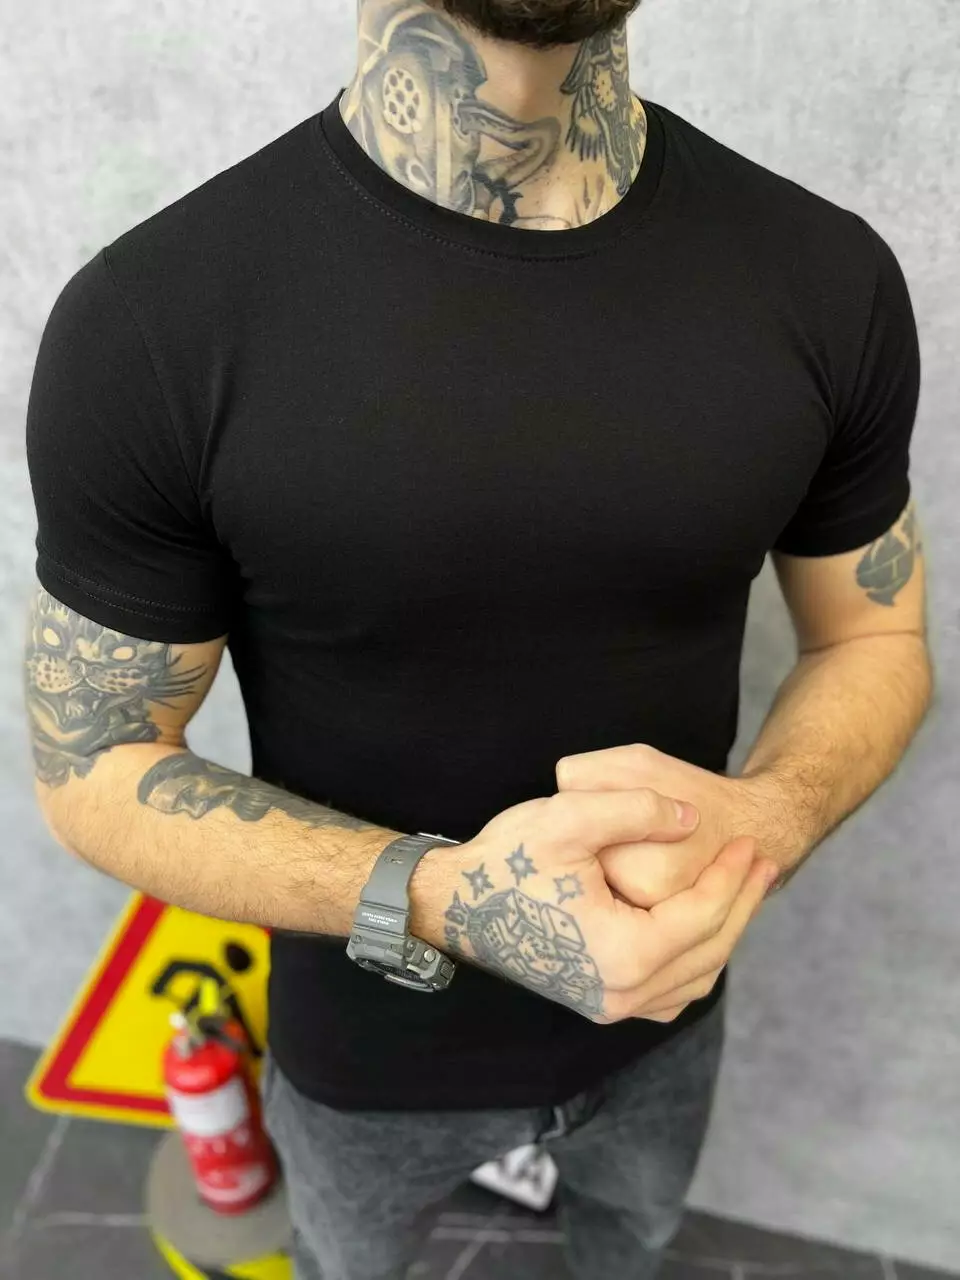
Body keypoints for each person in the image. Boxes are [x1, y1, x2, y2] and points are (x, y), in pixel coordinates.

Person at [23, 0, 933, 1274]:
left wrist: (770, 820)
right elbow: (93, 761)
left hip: (669, 1017)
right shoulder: (154, 324)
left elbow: (871, 640)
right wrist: (439, 898)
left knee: (632, 1247)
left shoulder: (824, 275)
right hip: (361, 1052)